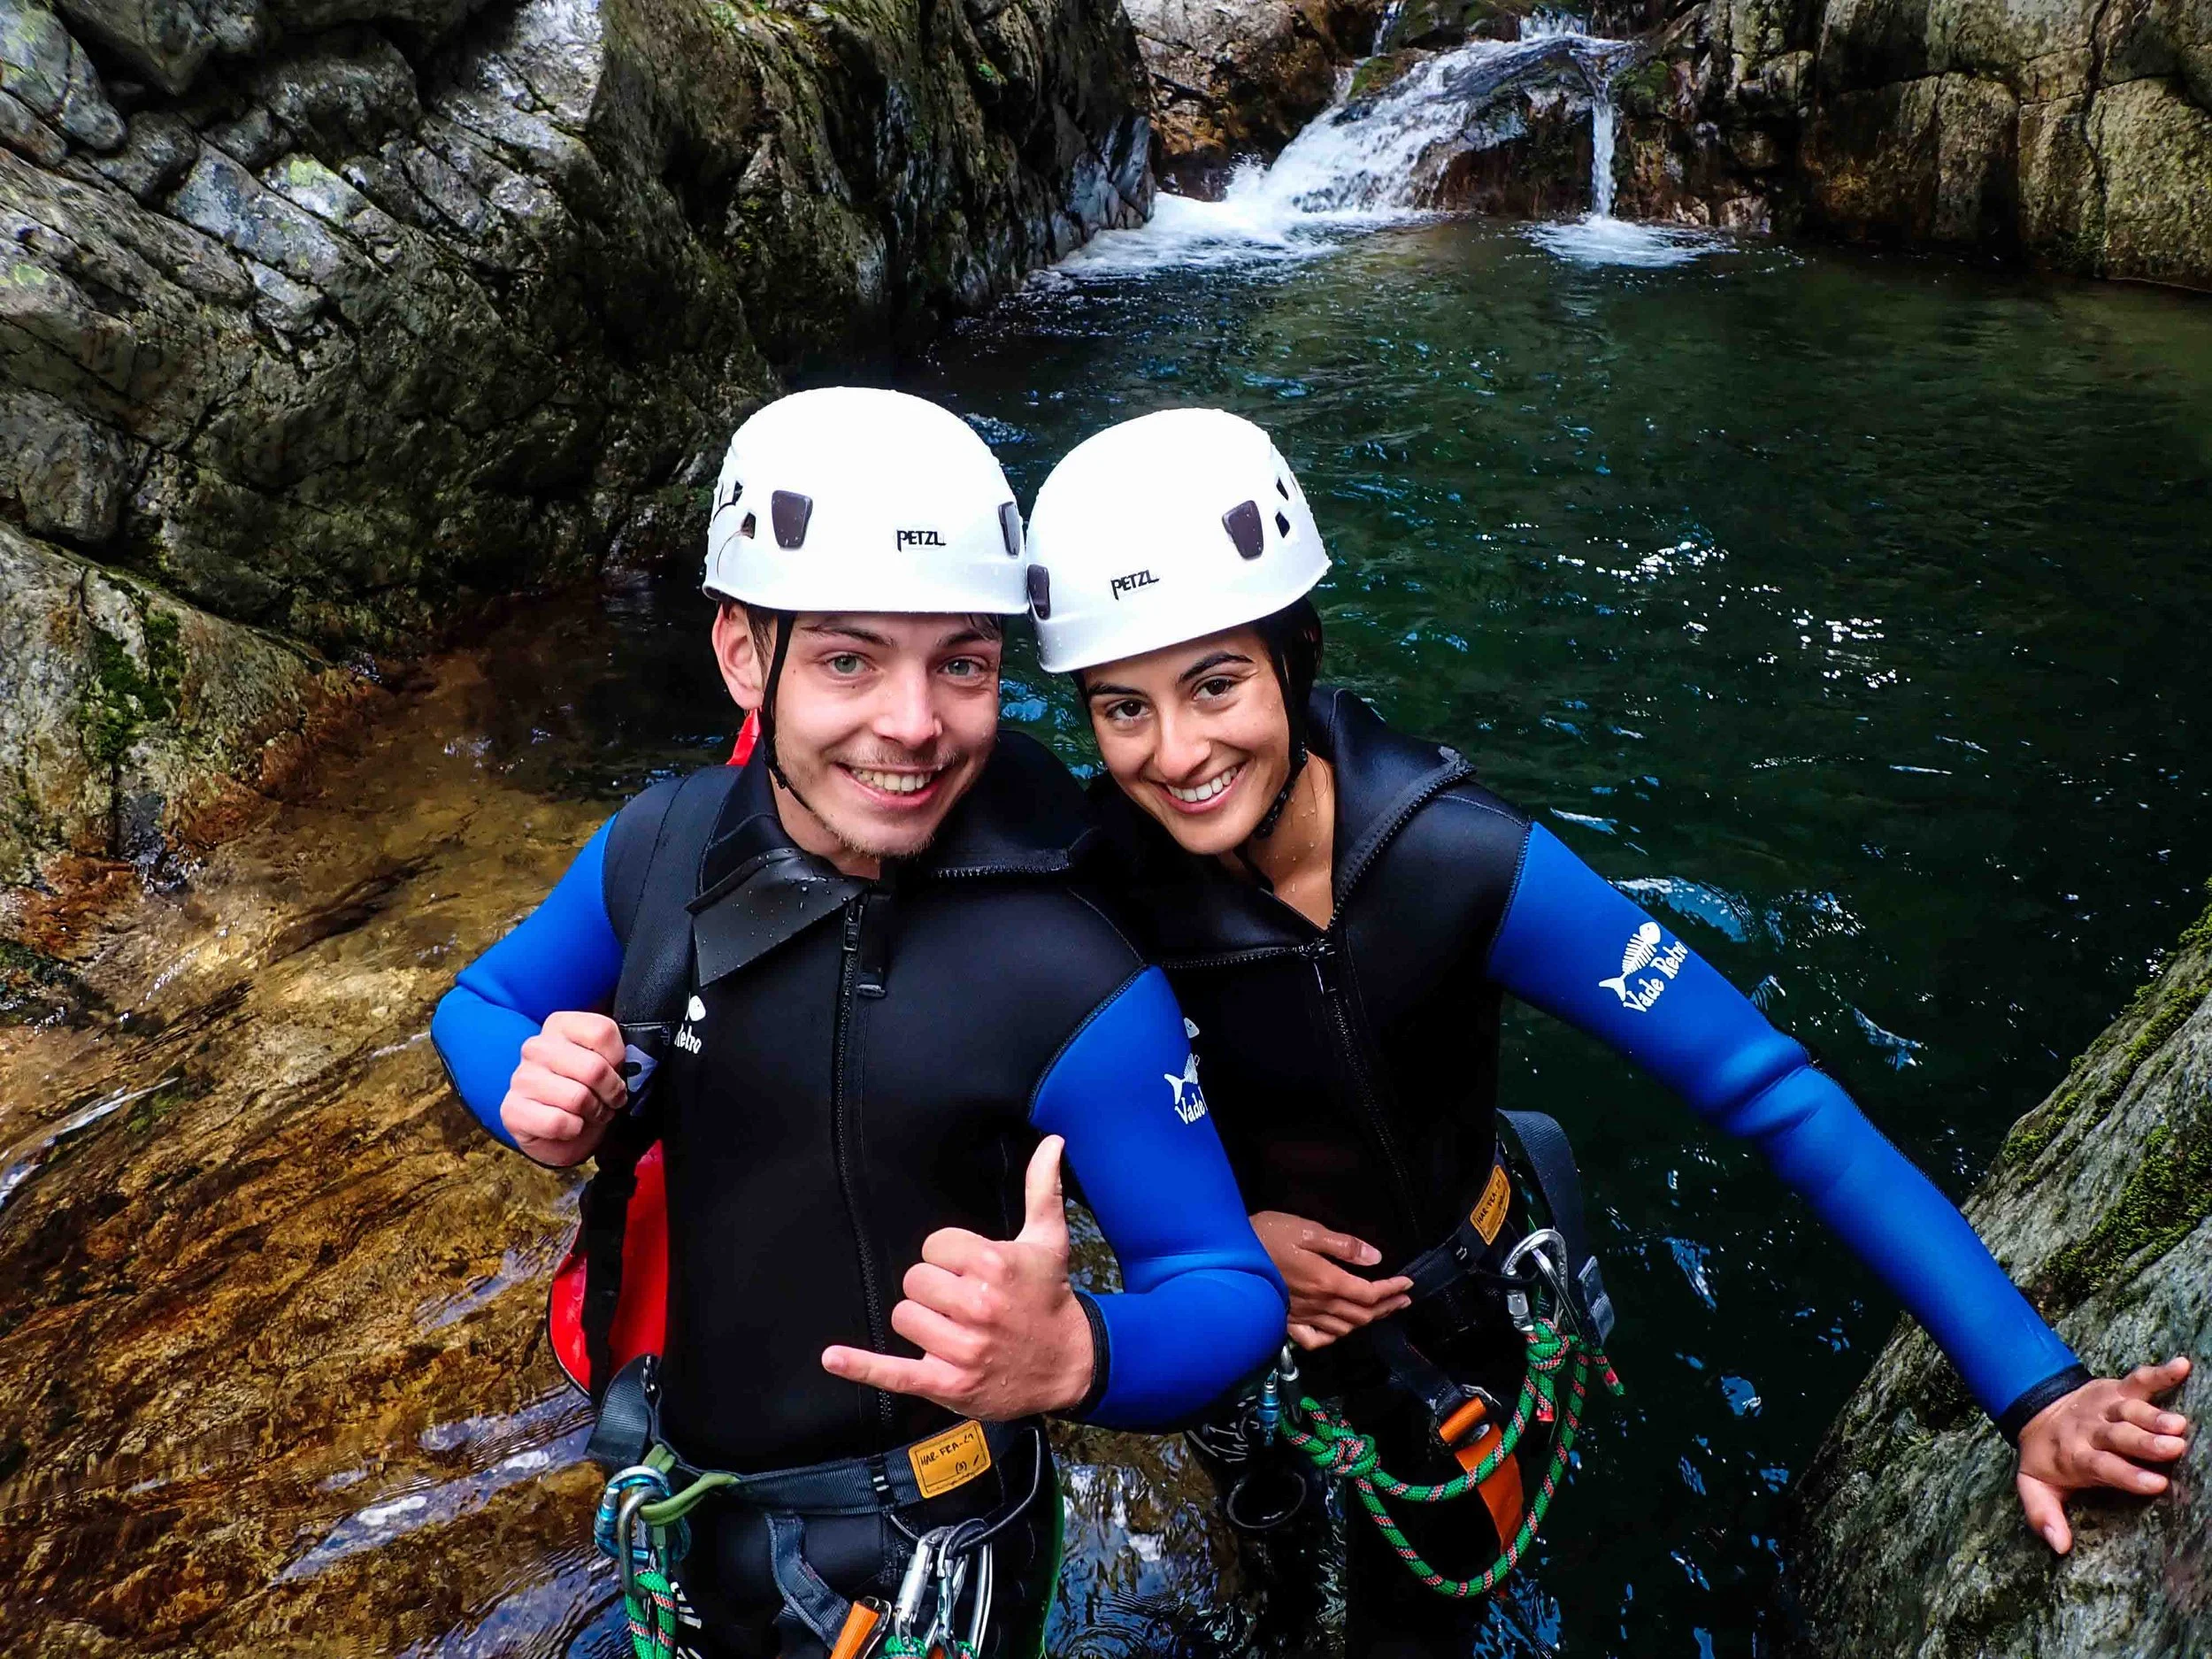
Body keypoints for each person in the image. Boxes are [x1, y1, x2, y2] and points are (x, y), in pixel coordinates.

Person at [1023, 406, 2195, 1653]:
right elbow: (1026, 1119)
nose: (1178, 754)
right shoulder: (1100, 892)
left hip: (1450, 1314)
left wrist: (2039, 1388)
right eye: (1120, 708)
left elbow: (1776, 1097)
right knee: (1264, 1560)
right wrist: (1225, 1247)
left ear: (1295, 657)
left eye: (1216, 684)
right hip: (1228, 1303)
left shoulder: (1455, 860)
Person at [430, 388, 1287, 1659]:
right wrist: (529, 1085)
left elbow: (1227, 1287)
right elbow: (479, 999)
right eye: (848, 658)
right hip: (685, 1488)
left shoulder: (1064, 966)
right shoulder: (660, 849)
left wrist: (1076, 1351)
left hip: (933, 1549)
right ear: (742, 656)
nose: (913, 723)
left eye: (963, 662)